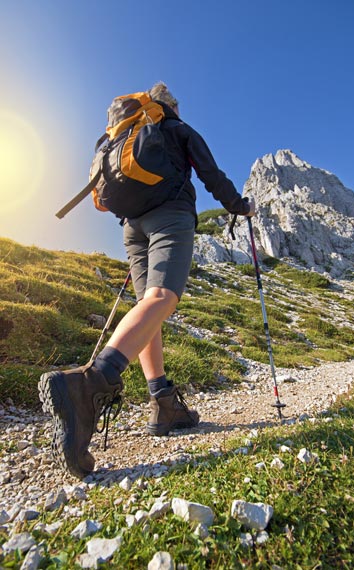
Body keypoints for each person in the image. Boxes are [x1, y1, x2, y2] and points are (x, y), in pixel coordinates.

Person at [39, 82, 256, 479]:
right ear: (168, 105)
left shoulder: (120, 136)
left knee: (148, 308)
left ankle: (162, 403)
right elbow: (211, 174)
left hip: (131, 227)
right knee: (163, 298)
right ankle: (89, 384)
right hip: (170, 214)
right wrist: (240, 207)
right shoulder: (174, 126)